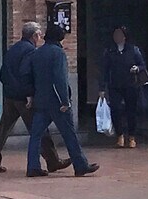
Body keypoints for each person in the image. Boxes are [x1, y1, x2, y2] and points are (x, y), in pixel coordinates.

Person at [0, 22, 68, 174]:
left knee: (3, 129)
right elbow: (27, 74)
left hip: (10, 95)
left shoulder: (13, 49)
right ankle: (53, 160)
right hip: (24, 98)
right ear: (34, 36)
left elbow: (3, 73)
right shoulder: (31, 51)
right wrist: (29, 93)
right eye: (38, 34)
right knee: (39, 128)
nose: (40, 37)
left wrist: (10, 89)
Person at [28, 23, 99, 178]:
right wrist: (64, 101)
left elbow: (32, 78)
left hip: (41, 100)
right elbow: (60, 79)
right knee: (69, 134)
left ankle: (32, 166)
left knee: (36, 135)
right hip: (56, 101)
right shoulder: (57, 53)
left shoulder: (37, 53)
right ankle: (80, 165)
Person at [98, 25, 148, 149]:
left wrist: (137, 68)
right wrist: (102, 87)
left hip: (131, 85)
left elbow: (142, 64)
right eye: (115, 34)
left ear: (125, 37)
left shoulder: (133, 50)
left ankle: (131, 136)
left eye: (120, 35)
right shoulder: (109, 51)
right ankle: (120, 135)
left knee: (131, 111)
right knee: (116, 110)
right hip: (115, 85)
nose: (117, 37)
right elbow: (105, 70)